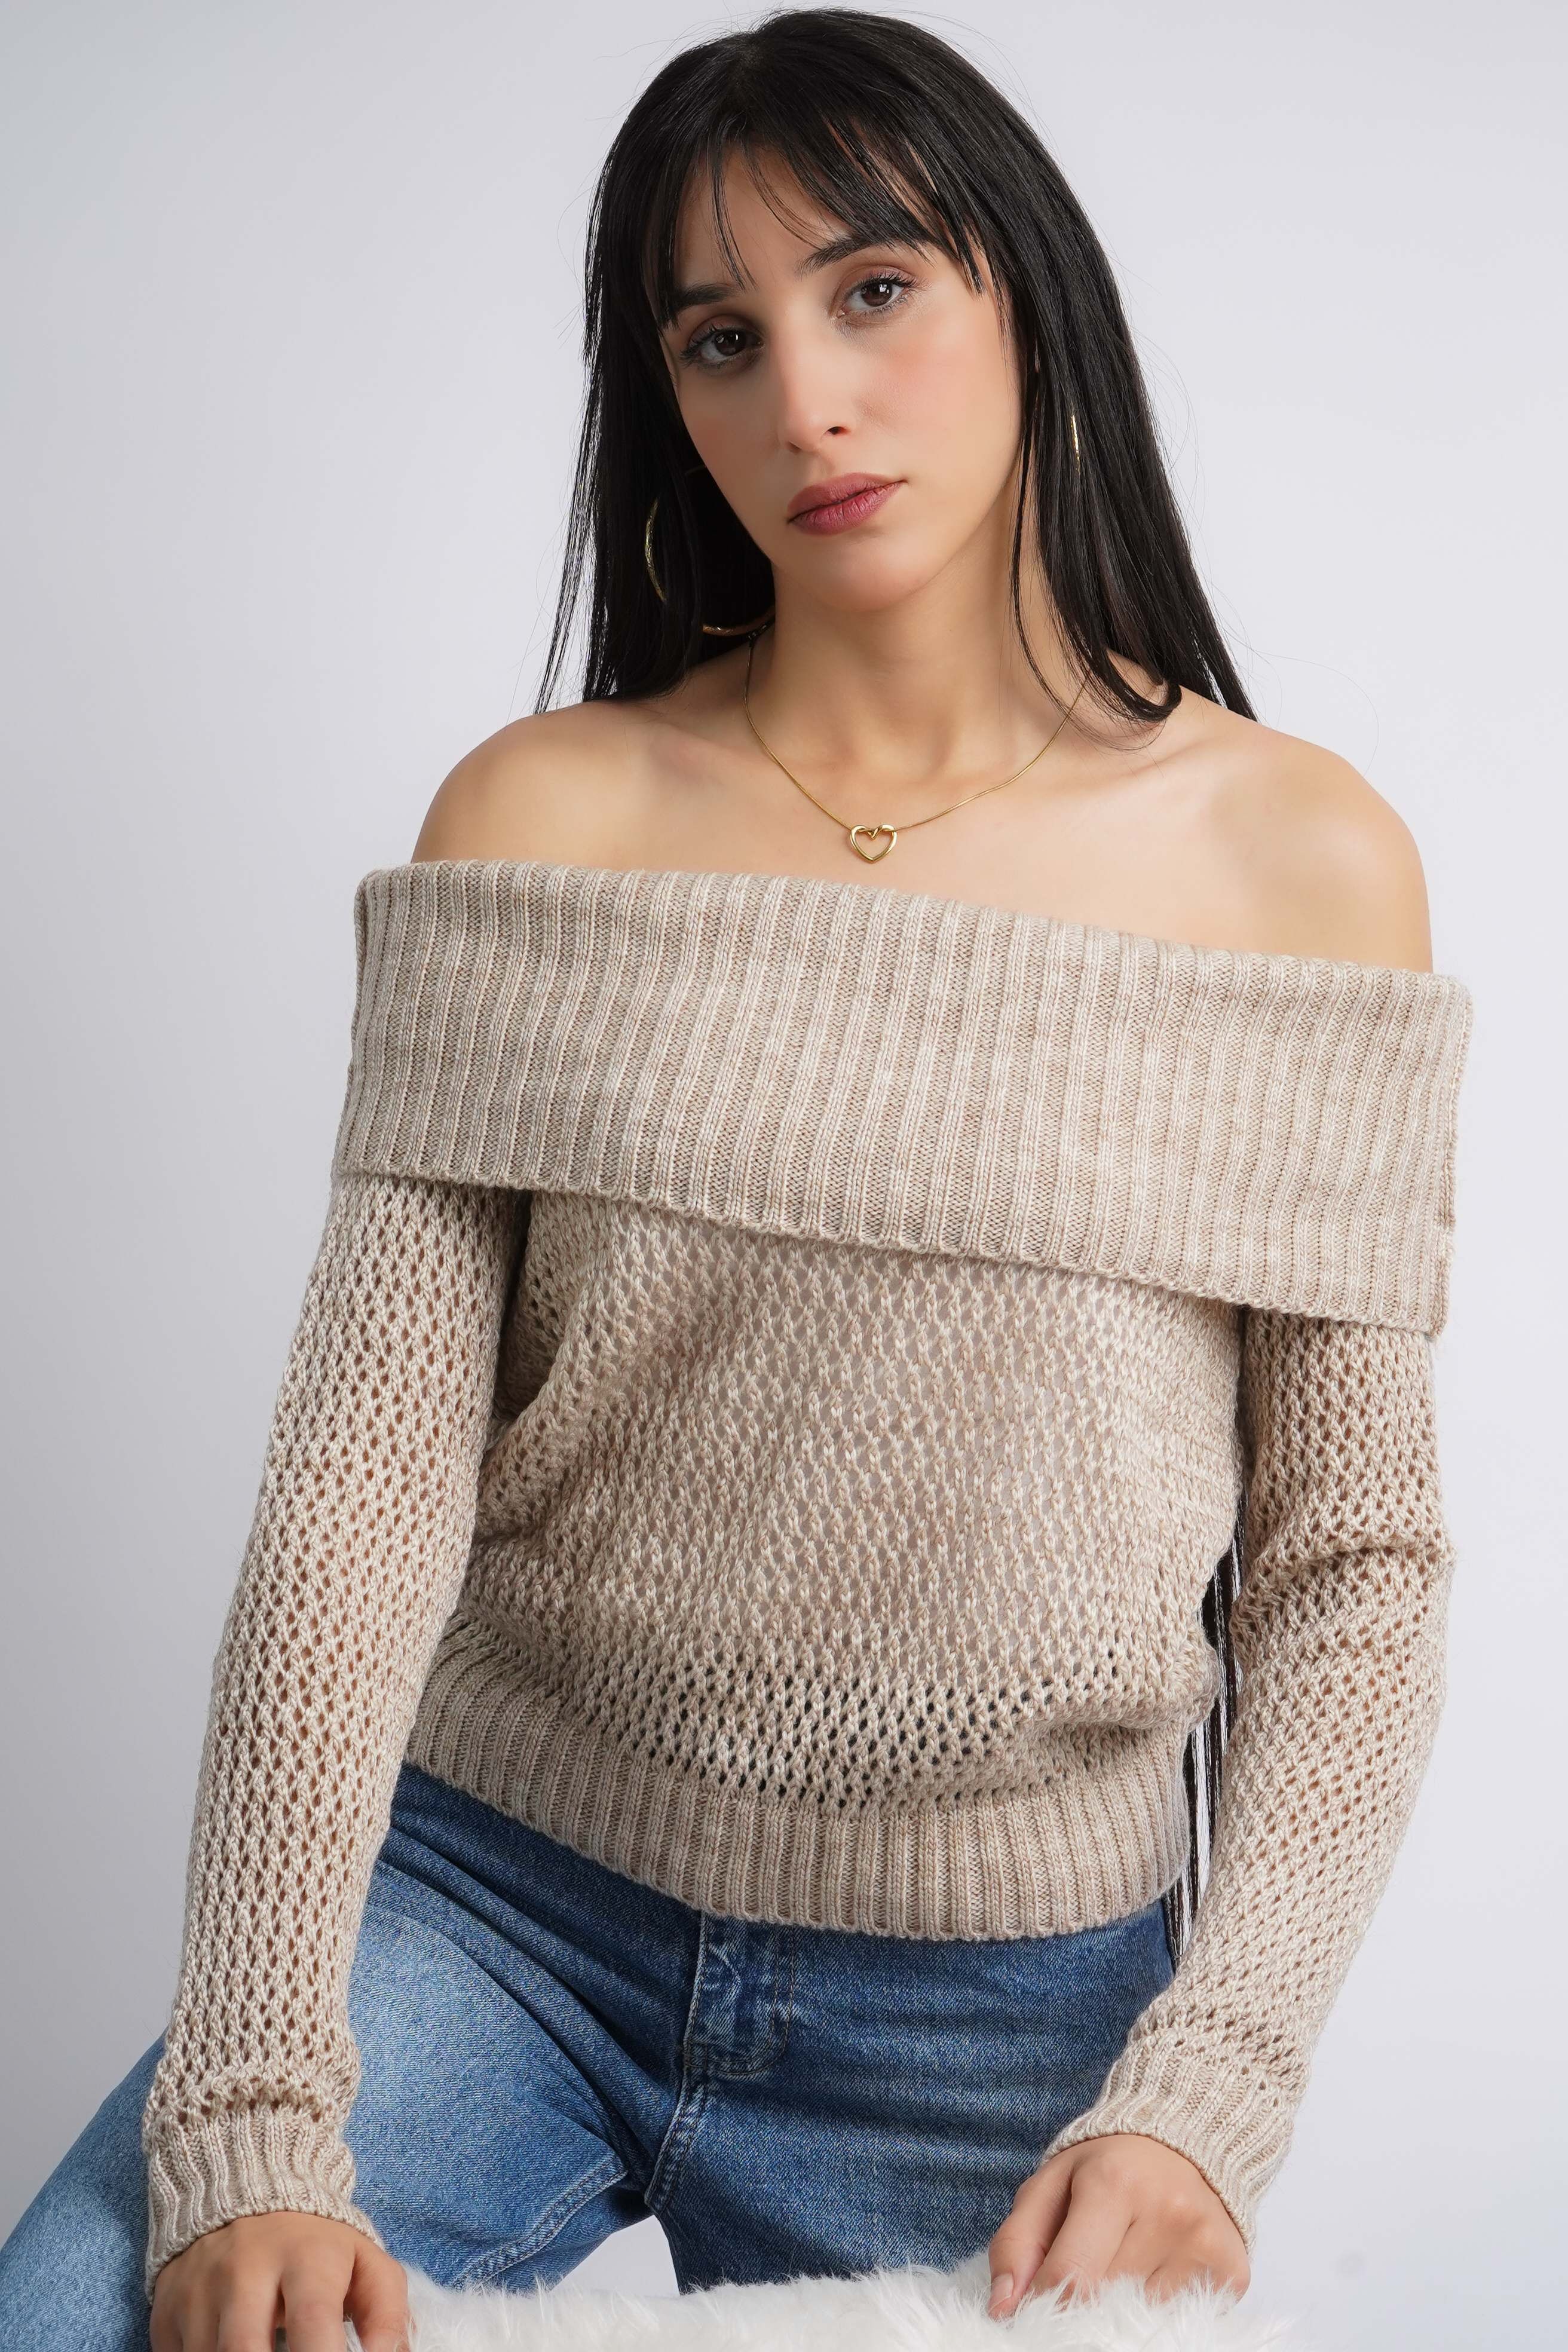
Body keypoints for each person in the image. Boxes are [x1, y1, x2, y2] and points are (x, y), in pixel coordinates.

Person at [0, 10, 1475, 2350]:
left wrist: (1206, 2093)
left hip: (1007, 2006)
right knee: (80, 2318)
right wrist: (259, 2101)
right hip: (494, 1907)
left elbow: (1348, 1566)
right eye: (720, 336)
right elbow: (366, 1477)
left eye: (873, 289)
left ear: (1026, 295)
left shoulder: (1300, 863)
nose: (805, 401)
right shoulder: (544, 818)